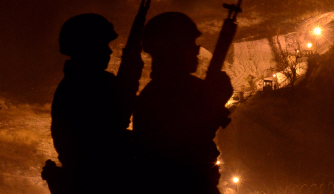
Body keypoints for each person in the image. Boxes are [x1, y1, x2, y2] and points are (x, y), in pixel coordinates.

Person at [133, 12, 233, 194]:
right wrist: (217, 100)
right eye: (190, 45)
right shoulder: (168, 94)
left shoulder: (159, 92)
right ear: (174, 50)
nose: (196, 50)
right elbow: (187, 148)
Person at [43, 13, 143, 194]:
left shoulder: (77, 84)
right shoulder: (86, 86)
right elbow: (115, 124)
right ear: (87, 47)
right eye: (103, 45)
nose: (109, 51)